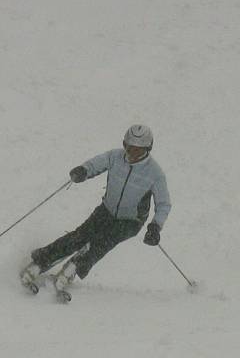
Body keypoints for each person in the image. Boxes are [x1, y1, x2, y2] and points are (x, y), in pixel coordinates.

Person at [21, 124, 171, 292]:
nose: (133, 154)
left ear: (148, 149)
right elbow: (95, 164)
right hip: (106, 210)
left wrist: (155, 226)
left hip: (131, 220)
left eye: (138, 150)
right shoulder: (115, 157)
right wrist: (83, 171)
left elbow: (164, 203)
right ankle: (39, 262)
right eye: (130, 148)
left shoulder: (155, 173)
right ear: (124, 145)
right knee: (80, 235)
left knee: (101, 243)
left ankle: (71, 270)